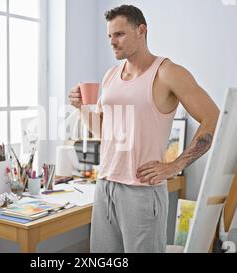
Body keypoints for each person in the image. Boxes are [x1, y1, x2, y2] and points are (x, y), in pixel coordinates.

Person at [68, 5, 220, 253]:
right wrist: (82, 108)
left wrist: (174, 165)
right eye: (109, 36)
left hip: (142, 190)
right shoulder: (111, 76)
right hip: (106, 185)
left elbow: (213, 117)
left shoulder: (168, 73)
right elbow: (104, 133)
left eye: (119, 34)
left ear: (141, 31)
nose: (112, 42)